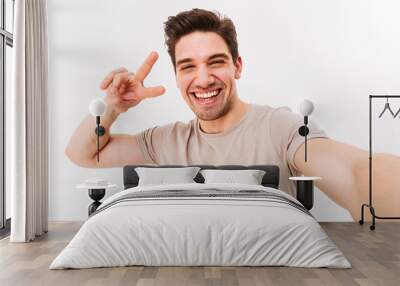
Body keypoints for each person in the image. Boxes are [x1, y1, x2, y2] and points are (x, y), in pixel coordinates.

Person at [66, 8, 399, 222]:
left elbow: (356, 173)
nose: (203, 78)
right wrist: (113, 107)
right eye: (188, 67)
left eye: (216, 62)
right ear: (178, 77)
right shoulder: (163, 140)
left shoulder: (281, 126)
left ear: (237, 66)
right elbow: (83, 154)